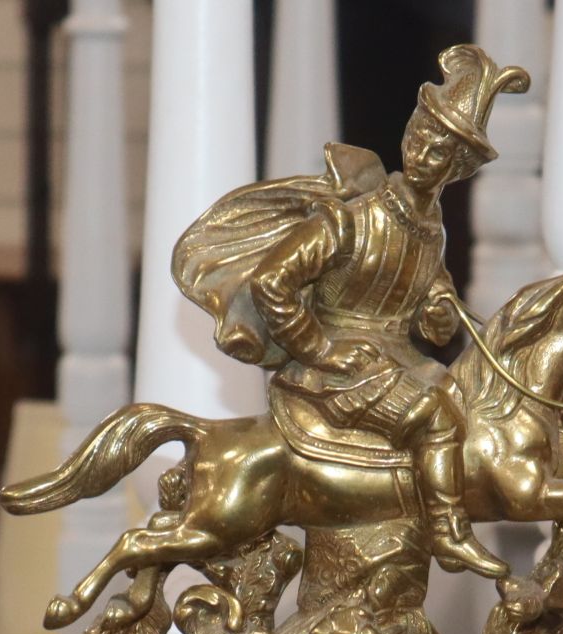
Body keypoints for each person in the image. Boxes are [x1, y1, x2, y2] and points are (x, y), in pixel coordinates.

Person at [174, 44, 528, 578]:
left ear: (458, 170)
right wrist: (320, 347)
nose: (421, 149)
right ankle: (449, 532)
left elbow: (430, 300)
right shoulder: (348, 221)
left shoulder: (431, 229)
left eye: (439, 149)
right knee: (435, 419)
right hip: (329, 370)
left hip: (397, 362)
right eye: (419, 133)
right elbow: (273, 283)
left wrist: (437, 312)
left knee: (473, 411)